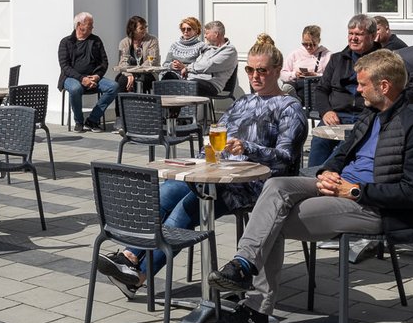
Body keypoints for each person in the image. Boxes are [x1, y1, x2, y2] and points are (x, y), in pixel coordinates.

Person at [207, 49, 413, 323]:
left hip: (376, 208)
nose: (357, 90)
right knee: (276, 187)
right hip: (340, 187)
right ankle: (243, 265)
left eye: (362, 84)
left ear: (384, 86)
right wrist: (326, 172)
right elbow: (340, 154)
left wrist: (354, 191)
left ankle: (256, 310)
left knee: (271, 220)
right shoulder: (371, 114)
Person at [99, 38, 308, 297]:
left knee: (188, 206)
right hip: (219, 175)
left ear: (277, 71)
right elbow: (215, 136)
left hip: (254, 185)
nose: (255, 76)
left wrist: (247, 148)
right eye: (250, 70)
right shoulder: (242, 102)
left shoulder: (289, 107)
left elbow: (286, 157)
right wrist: (200, 158)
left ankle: (139, 275)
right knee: (171, 189)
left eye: (262, 70)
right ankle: (129, 256)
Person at [308, 14, 375, 167]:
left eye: (358, 34)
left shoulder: (381, 60)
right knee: (319, 142)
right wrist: (326, 112)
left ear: (372, 36)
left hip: (366, 116)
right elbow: (321, 90)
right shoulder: (337, 59)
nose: (353, 38)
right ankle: (311, 180)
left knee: (347, 151)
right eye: (351, 34)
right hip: (336, 116)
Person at [58, 12, 118, 133]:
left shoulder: (96, 41)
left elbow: (104, 62)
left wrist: (97, 76)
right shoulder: (66, 42)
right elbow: (65, 66)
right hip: (71, 77)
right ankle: (79, 121)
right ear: (80, 25)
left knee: (113, 86)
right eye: (90, 25)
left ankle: (92, 120)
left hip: (93, 77)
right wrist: (82, 79)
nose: (92, 27)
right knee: (75, 89)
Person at [173, 20, 237, 99]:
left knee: (185, 86)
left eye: (207, 33)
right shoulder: (208, 49)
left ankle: (178, 111)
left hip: (211, 84)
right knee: (169, 79)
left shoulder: (229, 51)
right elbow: (199, 63)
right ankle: (170, 111)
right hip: (194, 80)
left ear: (216, 34)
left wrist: (188, 68)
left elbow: (209, 65)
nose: (205, 36)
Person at [116, 16, 161, 93]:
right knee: (121, 80)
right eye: (141, 28)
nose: (145, 30)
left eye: (145, 27)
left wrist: (137, 71)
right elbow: (122, 62)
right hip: (129, 73)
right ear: (133, 29)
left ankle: (142, 104)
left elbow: (153, 59)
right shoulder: (124, 43)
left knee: (142, 80)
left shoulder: (152, 40)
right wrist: (129, 75)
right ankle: (120, 104)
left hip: (148, 72)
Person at [280, 24, 330, 93]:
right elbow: (282, 74)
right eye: (305, 44)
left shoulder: (327, 55)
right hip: (297, 87)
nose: (308, 47)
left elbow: (331, 77)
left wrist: (316, 75)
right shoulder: (295, 54)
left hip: (316, 89)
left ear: (319, 41)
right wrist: (295, 75)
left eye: (312, 44)